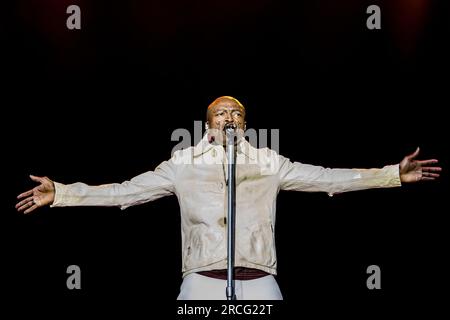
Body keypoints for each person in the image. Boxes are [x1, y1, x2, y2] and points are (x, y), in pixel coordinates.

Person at [16, 96, 441, 300]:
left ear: (246, 124)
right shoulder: (183, 163)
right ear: (208, 125)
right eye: (221, 112)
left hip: (261, 283)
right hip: (200, 282)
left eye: (237, 112)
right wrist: (63, 193)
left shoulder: (267, 161)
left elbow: (328, 177)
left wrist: (391, 175)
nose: (230, 117)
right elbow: (124, 191)